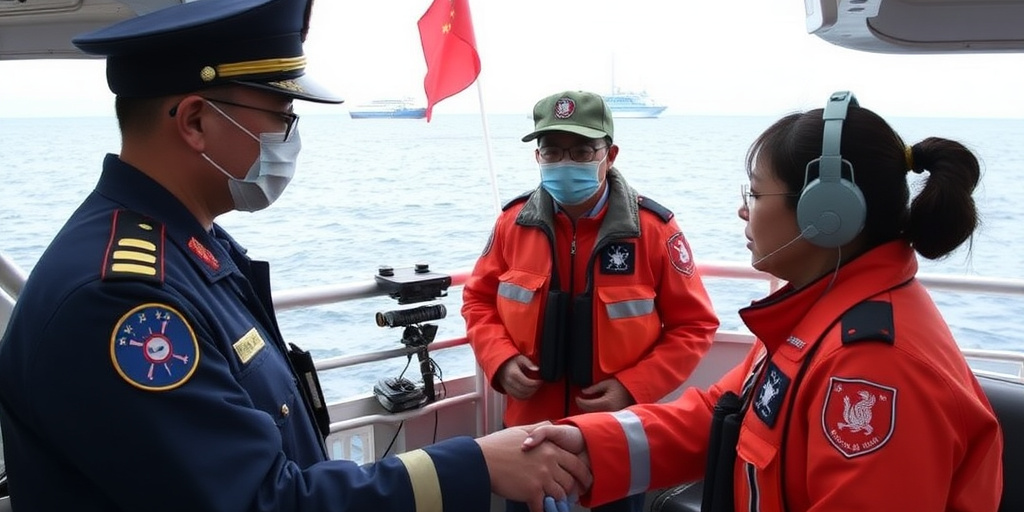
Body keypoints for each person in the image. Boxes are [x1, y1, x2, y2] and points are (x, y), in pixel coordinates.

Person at [0, 1, 589, 511]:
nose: (290, 138)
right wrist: (477, 466)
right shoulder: (121, 298)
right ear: (196, 121)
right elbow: (260, 501)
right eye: (282, 117)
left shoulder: (186, 244)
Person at [523, 91, 1005, 511]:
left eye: (754, 193)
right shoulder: (816, 316)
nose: (741, 209)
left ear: (827, 214)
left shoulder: (876, 367)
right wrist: (586, 445)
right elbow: (716, 414)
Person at [462, 90, 720, 512]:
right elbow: (478, 301)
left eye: (582, 151)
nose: (565, 163)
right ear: (537, 157)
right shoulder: (512, 224)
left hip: (614, 438)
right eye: (552, 152)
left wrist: (632, 388)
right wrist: (500, 361)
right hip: (528, 439)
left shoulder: (654, 230)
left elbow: (695, 326)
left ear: (610, 154)